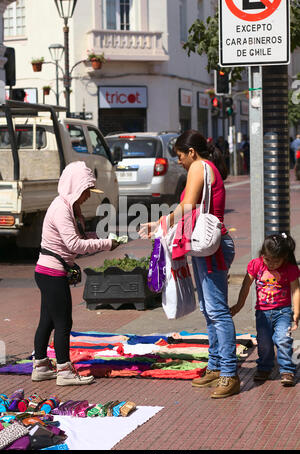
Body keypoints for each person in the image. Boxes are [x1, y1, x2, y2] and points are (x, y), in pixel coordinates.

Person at [139, 130, 239, 399]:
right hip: (204, 245)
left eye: (180, 156)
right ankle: (217, 366)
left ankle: (229, 373)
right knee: (209, 309)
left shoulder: (199, 166)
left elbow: (187, 205)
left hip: (211, 246)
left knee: (217, 311)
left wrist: (160, 223)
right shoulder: (205, 166)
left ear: (192, 152)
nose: (179, 162)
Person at [32, 161, 119, 386]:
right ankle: (64, 371)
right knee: (63, 323)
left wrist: (101, 238)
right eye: (86, 190)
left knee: (48, 321)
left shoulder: (67, 206)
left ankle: (41, 366)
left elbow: (76, 237)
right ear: (75, 186)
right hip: (52, 272)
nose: (88, 196)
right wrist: (106, 244)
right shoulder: (61, 208)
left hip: (48, 270)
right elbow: (75, 245)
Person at [230, 233, 300, 387]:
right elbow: (246, 286)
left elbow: (296, 290)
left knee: (283, 339)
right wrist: (238, 306)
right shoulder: (256, 264)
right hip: (262, 313)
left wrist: (297, 312)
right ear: (262, 254)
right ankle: (264, 367)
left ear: (285, 258)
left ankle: (287, 370)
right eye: (268, 259)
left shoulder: (290, 268)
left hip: (283, 312)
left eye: (276, 261)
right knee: (264, 343)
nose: (271, 264)